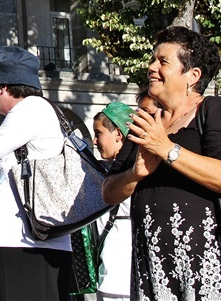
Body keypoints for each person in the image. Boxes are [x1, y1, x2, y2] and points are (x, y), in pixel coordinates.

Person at [103, 26, 221, 300]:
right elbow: (108, 192)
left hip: (210, 263)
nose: (151, 67)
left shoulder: (215, 109)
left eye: (163, 62)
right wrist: (135, 175)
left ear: (192, 75)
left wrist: (167, 149)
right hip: (154, 265)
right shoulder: (145, 122)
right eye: (153, 59)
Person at [0, 46, 73, 301]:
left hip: (17, 238)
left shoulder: (28, 110)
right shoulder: (48, 110)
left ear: (4, 87)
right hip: (40, 235)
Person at [92, 100, 137, 301]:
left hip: (119, 279)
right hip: (111, 276)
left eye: (99, 133)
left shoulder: (135, 172)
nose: (94, 141)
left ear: (118, 134)